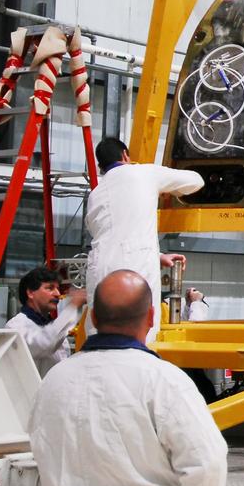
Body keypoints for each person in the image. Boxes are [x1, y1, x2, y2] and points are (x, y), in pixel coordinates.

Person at [30, 270, 227, 486]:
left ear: (93, 317)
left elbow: (40, 458)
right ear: (151, 317)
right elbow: (207, 463)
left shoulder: (52, 382)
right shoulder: (165, 382)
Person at [85, 137, 204, 342]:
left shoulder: (95, 194)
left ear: (100, 166)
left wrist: (158, 256)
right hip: (135, 268)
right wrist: (168, 188)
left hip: (99, 269)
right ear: (125, 155)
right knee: (141, 337)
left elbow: (114, 236)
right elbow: (196, 181)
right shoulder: (143, 172)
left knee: (100, 337)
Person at [5, 267, 86, 377]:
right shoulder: (16, 326)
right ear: (30, 293)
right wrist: (73, 307)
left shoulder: (51, 326)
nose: (57, 294)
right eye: (50, 288)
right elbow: (45, 343)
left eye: (57, 288)